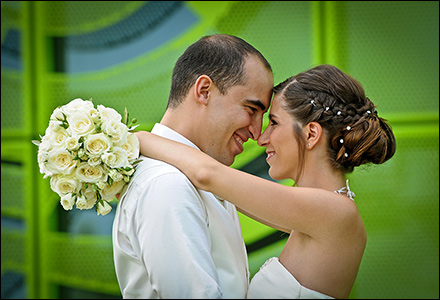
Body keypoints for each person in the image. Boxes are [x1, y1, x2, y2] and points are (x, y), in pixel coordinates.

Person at [134, 64, 397, 299]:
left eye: (273, 123)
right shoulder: (317, 211)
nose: (261, 138)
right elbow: (219, 191)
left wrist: (135, 140)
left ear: (311, 134)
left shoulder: (335, 212)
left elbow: (208, 175)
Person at [112, 34, 274, 298]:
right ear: (203, 91)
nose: (257, 132)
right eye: (251, 109)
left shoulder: (200, 173)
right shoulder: (166, 184)